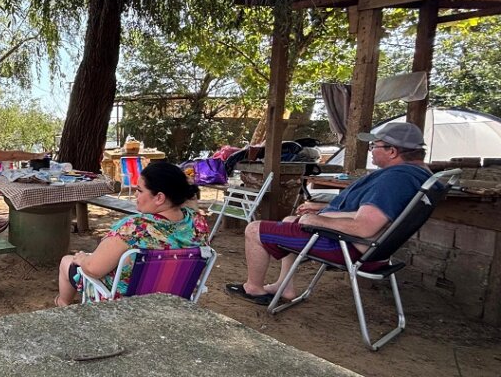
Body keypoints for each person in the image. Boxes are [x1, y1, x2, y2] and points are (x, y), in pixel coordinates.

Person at [226, 122, 432, 305]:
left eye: (374, 145)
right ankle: (284, 285)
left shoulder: (395, 180)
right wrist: (320, 210)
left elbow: (365, 226)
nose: (370, 150)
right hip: (372, 249)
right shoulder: (417, 175)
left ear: (392, 151)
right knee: (290, 220)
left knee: (254, 229)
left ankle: (253, 288)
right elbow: (370, 213)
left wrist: (317, 220)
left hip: (347, 245)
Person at [56, 163, 209, 306]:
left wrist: (83, 259)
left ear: (159, 198)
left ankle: (62, 304)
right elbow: (191, 203)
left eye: (140, 190)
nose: (136, 194)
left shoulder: (135, 228)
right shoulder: (197, 223)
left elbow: (93, 269)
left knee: (67, 261)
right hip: (173, 297)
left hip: (125, 301)